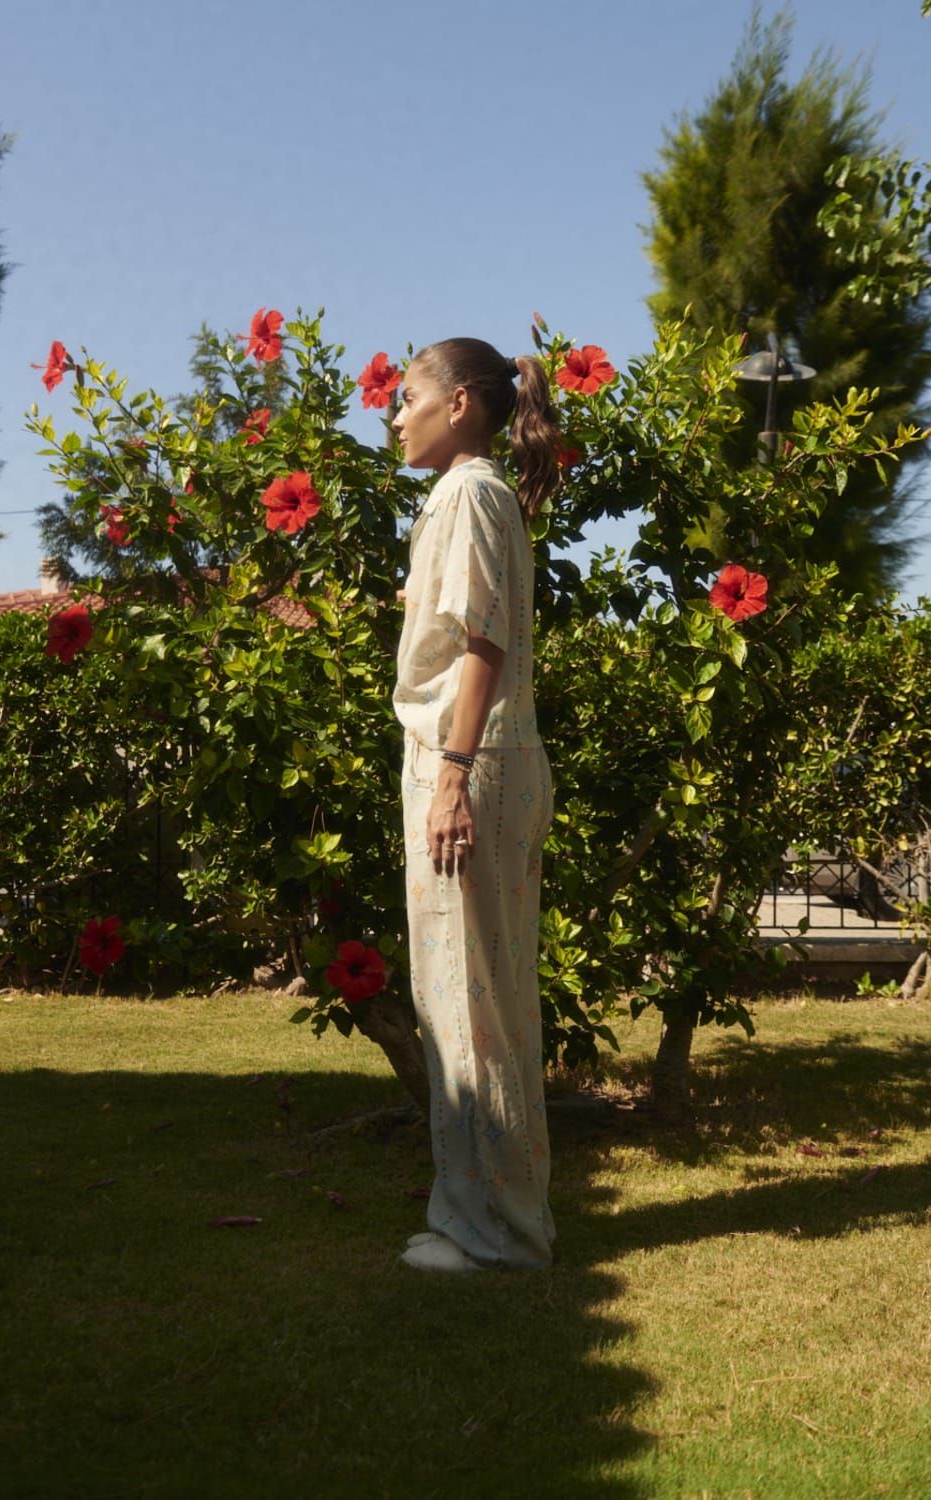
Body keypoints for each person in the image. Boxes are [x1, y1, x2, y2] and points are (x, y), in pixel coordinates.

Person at [392, 337, 560, 1272]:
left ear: (458, 403)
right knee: (477, 997)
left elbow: (484, 641)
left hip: (468, 764)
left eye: (408, 396)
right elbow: (466, 629)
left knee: (468, 1002)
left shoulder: (466, 493)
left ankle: (496, 1234)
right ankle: (487, 1215)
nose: (396, 415)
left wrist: (452, 774)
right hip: (486, 759)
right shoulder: (477, 495)